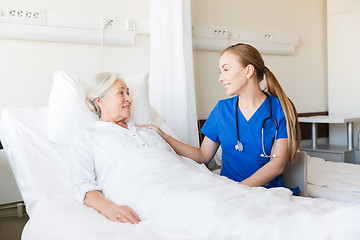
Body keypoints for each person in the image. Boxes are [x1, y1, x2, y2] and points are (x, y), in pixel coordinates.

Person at [145, 43, 301, 191]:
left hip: (267, 193)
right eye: (220, 71)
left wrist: (239, 189)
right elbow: (203, 155)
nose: (221, 78)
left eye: (226, 70)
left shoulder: (280, 108)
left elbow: (277, 164)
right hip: (229, 192)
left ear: (248, 71)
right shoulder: (222, 109)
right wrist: (164, 136)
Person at [68, 72, 175, 224]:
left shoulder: (147, 131)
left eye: (128, 93)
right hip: (149, 194)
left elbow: (178, 163)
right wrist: (108, 208)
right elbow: (82, 184)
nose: (129, 99)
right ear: (100, 101)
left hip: (181, 181)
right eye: (121, 93)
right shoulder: (87, 139)